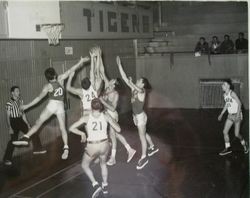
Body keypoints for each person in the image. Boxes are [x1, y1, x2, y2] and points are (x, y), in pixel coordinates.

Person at [12, 56, 89, 160]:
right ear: (55, 74)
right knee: (63, 128)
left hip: (52, 105)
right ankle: (66, 148)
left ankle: (26, 137)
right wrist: (81, 61)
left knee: (38, 123)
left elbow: (38, 99)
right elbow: (72, 69)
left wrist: (26, 106)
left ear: (47, 78)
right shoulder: (61, 79)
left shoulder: (47, 86)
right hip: (60, 107)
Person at [69, 98, 121, 197]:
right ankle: (105, 185)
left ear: (91, 107)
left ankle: (95, 185)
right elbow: (118, 129)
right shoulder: (106, 116)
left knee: (84, 165)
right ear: (101, 106)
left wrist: (82, 133)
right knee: (103, 164)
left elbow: (71, 128)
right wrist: (112, 120)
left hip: (93, 145)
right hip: (105, 144)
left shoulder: (86, 117)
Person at [94, 49, 136, 165]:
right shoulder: (108, 86)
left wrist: (103, 101)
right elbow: (102, 72)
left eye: (112, 80)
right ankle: (129, 149)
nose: (110, 79)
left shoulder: (115, 94)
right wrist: (99, 56)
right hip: (106, 113)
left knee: (113, 135)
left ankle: (113, 158)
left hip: (112, 114)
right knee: (115, 135)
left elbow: (112, 109)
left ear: (114, 84)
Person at [116, 56, 159, 170]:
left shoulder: (142, 91)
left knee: (141, 136)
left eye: (139, 80)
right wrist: (120, 65)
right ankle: (153, 147)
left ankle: (144, 157)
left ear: (142, 84)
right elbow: (125, 78)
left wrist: (131, 83)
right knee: (143, 133)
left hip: (140, 117)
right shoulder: (134, 89)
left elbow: (136, 88)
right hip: (136, 116)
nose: (137, 80)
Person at [3, 86, 46, 166]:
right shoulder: (9, 103)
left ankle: (37, 149)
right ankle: (6, 159)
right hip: (13, 122)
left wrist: (27, 124)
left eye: (18, 91)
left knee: (33, 132)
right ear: (12, 93)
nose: (18, 92)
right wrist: (10, 127)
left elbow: (23, 114)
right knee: (13, 140)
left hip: (20, 120)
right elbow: (7, 116)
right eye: (16, 91)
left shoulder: (20, 101)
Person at [218, 79, 248, 156]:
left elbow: (240, 103)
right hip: (230, 115)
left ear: (228, 86)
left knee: (236, 134)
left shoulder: (232, 93)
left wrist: (238, 115)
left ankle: (245, 144)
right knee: (225, 132)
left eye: (224, 84)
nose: (222, 86)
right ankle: (228, 148)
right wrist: (221, 114)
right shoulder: (224, 95)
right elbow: (227, 104)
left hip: (237, 115)